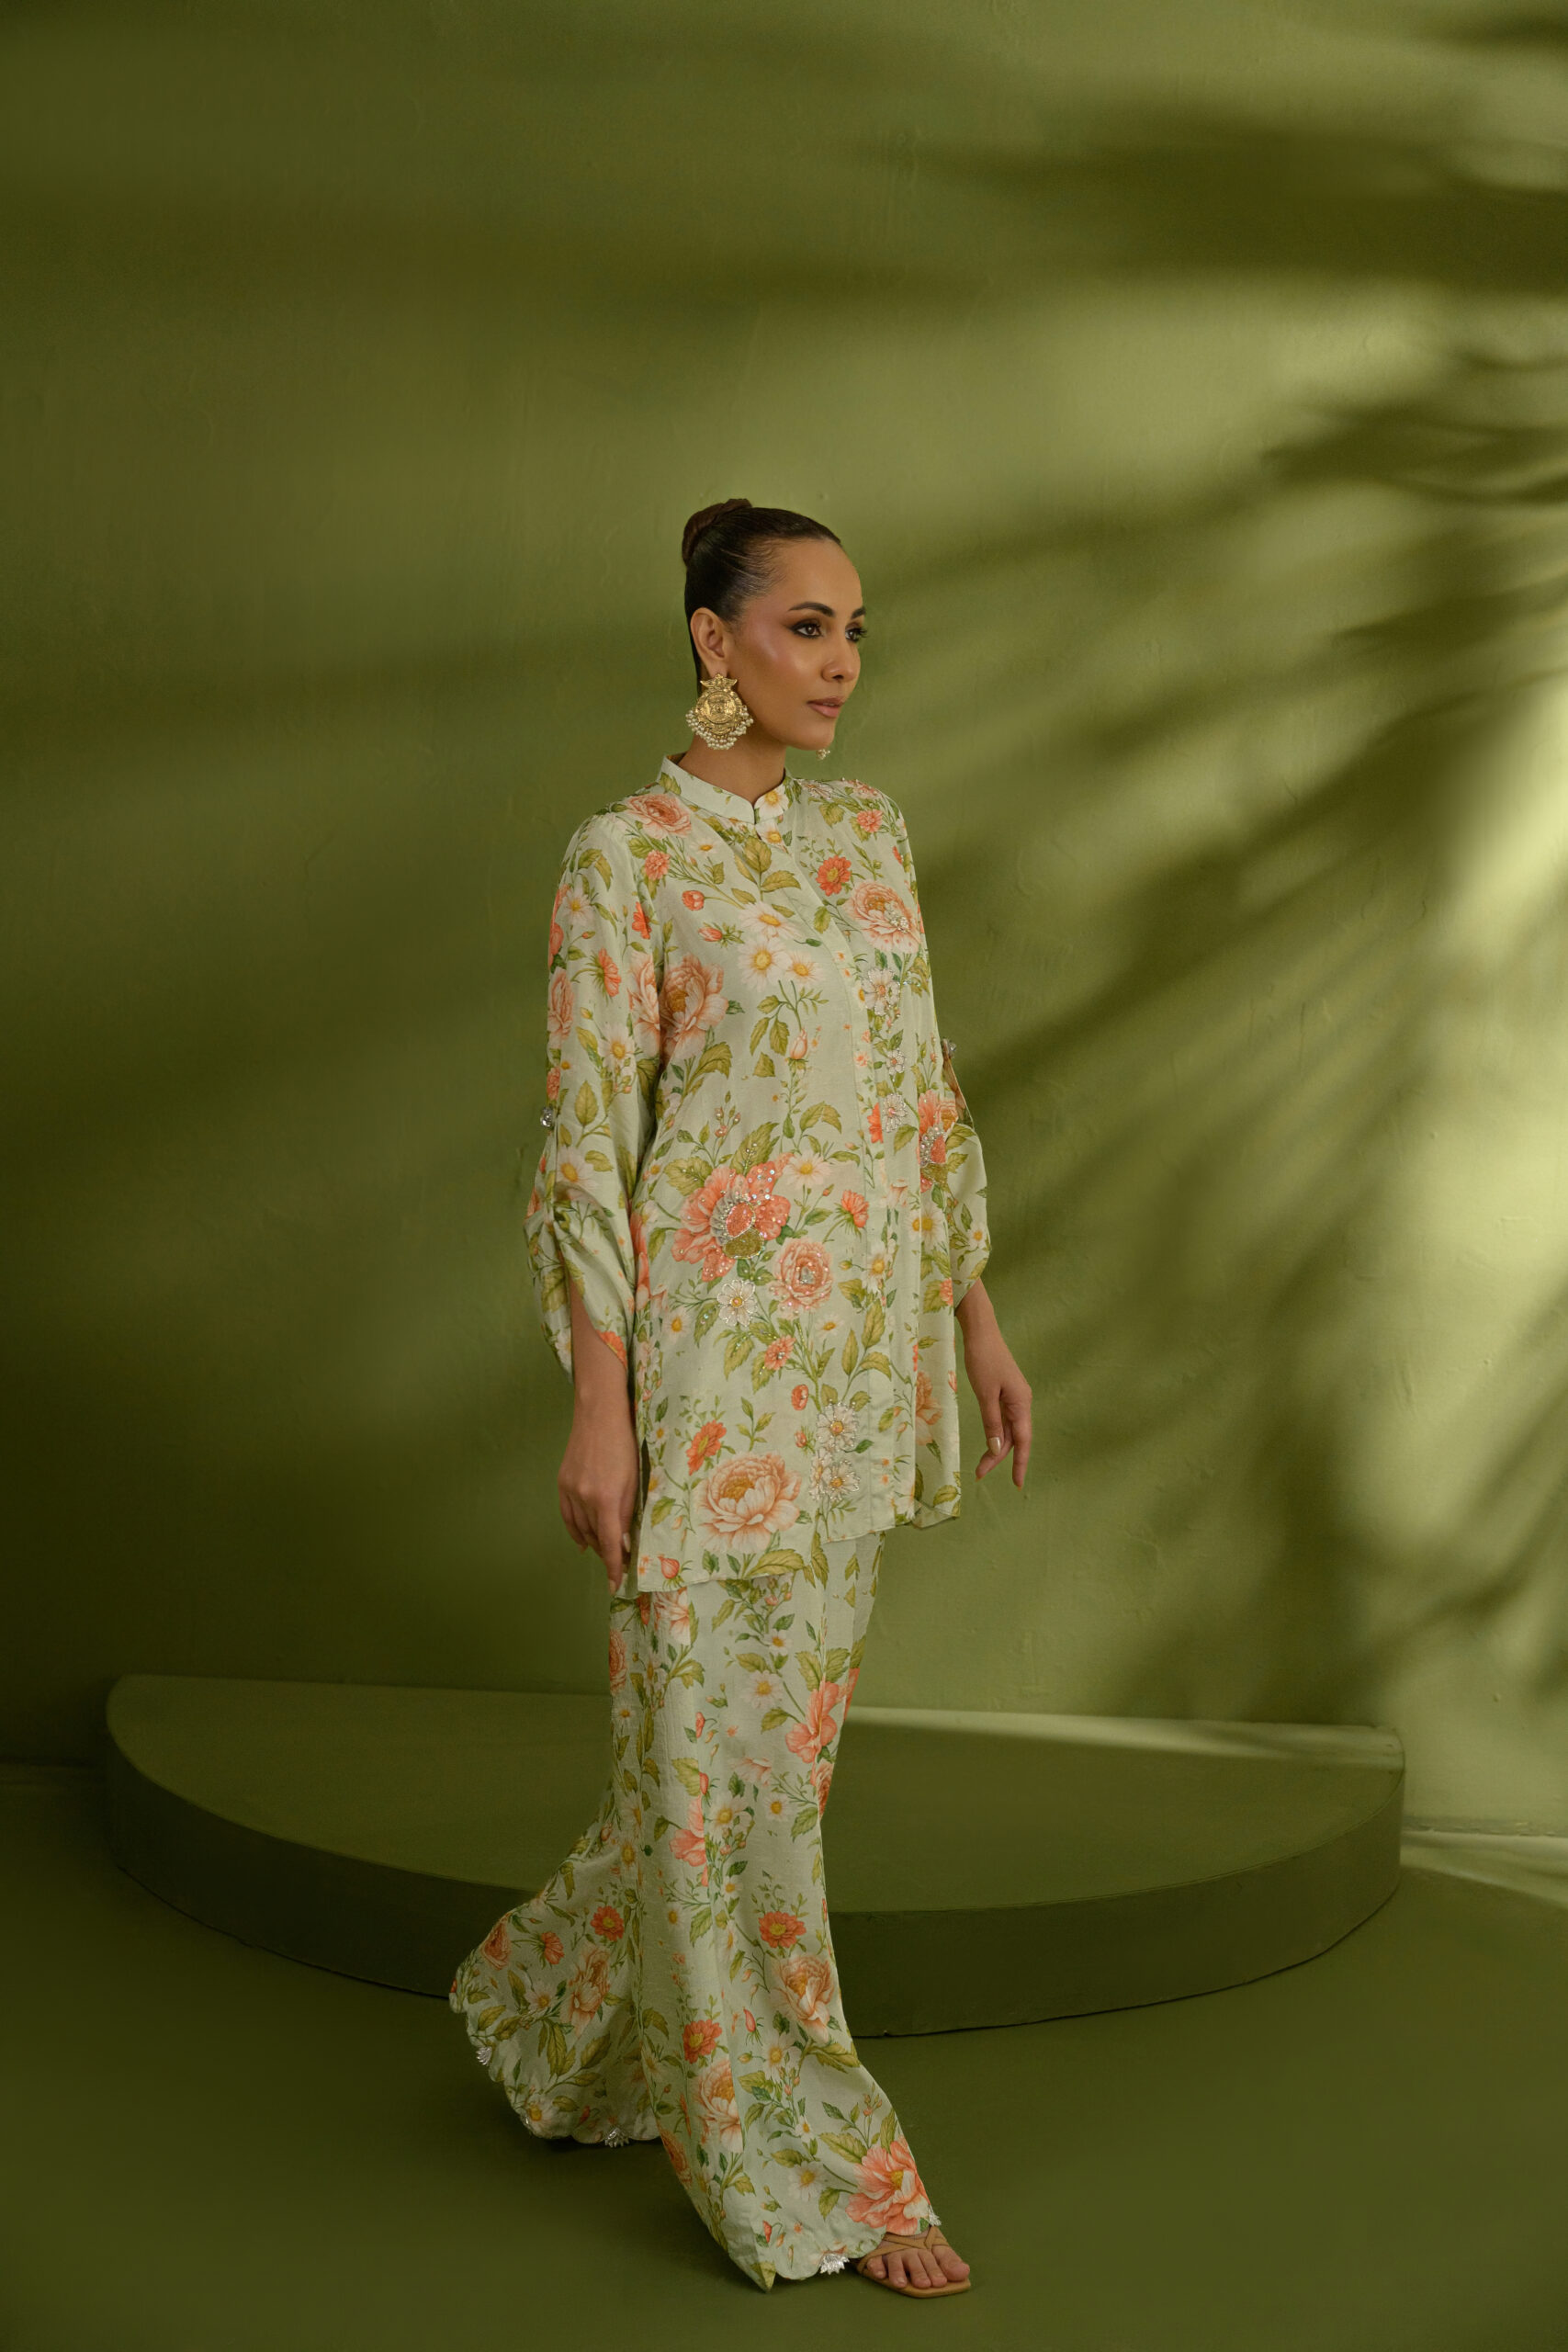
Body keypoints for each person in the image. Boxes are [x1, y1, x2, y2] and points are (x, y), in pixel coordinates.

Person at [449, 497, 1032, 2299]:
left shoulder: (868, 838)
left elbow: (921, 1096)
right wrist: (599, 1406)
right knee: (735, 1802)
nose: (839, 662)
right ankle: (821, 2174)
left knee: (743, 1779)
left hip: (854, 1377)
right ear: (715, 641)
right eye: (802, 626)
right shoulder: (624, 860)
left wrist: (974, 1321)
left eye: (854, 630)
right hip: (704, 1387)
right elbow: (585, 1143)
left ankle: (541, 2017)